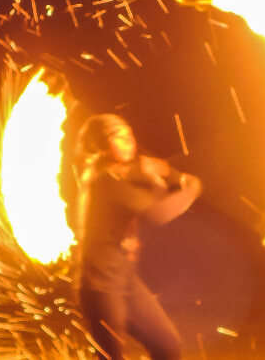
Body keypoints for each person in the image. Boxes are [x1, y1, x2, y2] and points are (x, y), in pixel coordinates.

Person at [73, 113, 203, 360]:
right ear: (101, 145)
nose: (128, 141)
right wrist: (191, 188)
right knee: (111, 357)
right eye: (117, 137)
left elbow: (149, 182)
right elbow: (158, 213)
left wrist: (166, 174)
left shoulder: (117, 174)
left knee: (167, 347)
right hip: (100, 288)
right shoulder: (103, 183)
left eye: (128, 134)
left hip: (126, 281)